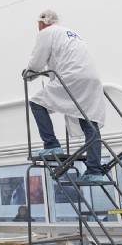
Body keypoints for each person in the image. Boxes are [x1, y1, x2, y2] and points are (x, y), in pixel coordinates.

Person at [25, 10, 107, 182]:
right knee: (90, 124)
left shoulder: (47, 32)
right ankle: (94, 171)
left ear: (42, 22)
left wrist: (30, 73)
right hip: (92, 80)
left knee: (36, 102)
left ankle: (52, 145)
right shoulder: (72, 34)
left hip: (72, 77)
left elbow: (37, 61)